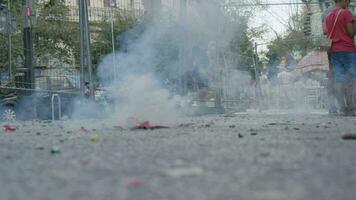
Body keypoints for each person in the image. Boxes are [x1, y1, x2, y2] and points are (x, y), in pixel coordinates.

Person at [325, 0, 356, 116]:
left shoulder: (328, 16)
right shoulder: (346, 13)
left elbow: (326, 32)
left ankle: (343, 107)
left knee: (339, 79)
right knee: (353, 79)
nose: (348, 3)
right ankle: (353, 107)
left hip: (334, 51)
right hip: (348, 49)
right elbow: (351, 33)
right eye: (348, 0)